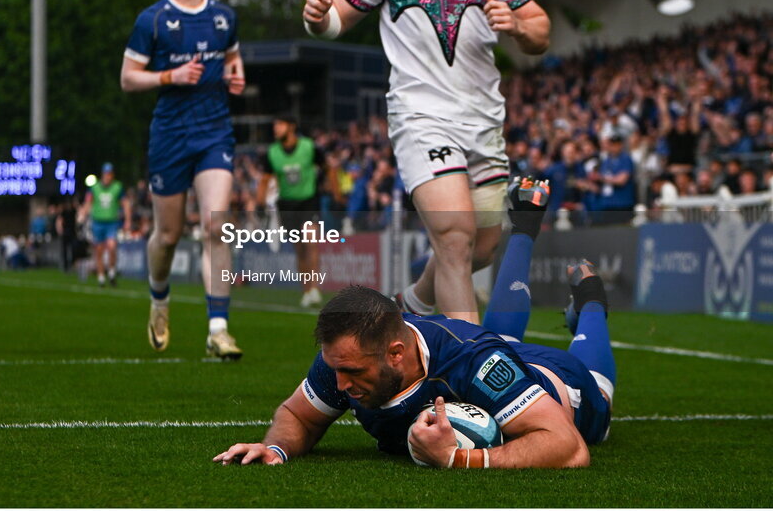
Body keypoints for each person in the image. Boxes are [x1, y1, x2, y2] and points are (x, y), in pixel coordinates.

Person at [302, 0, 550, 324]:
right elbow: (337, 20)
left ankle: (413, 301)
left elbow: (540, 31)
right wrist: (318, 18)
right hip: (420, 116)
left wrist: (516, 23)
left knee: (481, 246)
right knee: (455, 238)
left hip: (483, 122)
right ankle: (469, 366)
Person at [214, 179, 615, 468]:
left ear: (396, 353)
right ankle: (525, 222)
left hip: (561, 386)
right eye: (336, 370)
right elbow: (298, 415)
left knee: (597, 386)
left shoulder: (474, 362)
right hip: (490, 355)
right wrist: (276, 449)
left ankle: (592, 301)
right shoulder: (343, 358)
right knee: (500, 341)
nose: (339, 386)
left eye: (351, 372)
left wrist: (461, 459)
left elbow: (569, 447)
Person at [120, 0, 246, 359]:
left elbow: (232, 57)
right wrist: (167, 77)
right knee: (168, 234)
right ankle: (159, 298)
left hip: (214, 132)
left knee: (216, 225)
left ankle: (218, 329)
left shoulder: (224, 17)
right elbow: (127, 77)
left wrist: (236, 76)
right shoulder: (152, 20)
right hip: (170, 135)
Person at [256, 114, 326, 307]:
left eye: (280, 124)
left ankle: (315, 289)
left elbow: (327, 167)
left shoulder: (309, 147)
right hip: (287, 204)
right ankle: (306, 290)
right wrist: (259, 203)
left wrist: (333, 190)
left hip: (309, 200)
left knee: (311, 242)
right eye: (275, 125)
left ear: (292, 127)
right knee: (300, 249)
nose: (276, 128)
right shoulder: (272, 153)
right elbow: (265, 180)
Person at [85, 163, 131, 286]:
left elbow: (125, 204)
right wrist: (83, 215)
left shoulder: (117, 187)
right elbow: (88, 202)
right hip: (97, 222)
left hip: (111, 222)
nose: (108, 177)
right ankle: (101, 277)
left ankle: (111, 272)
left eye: (110, 174)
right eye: (106, 174)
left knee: (112, 246)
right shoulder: (94, 187)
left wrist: (128, 220)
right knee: (99, 250)